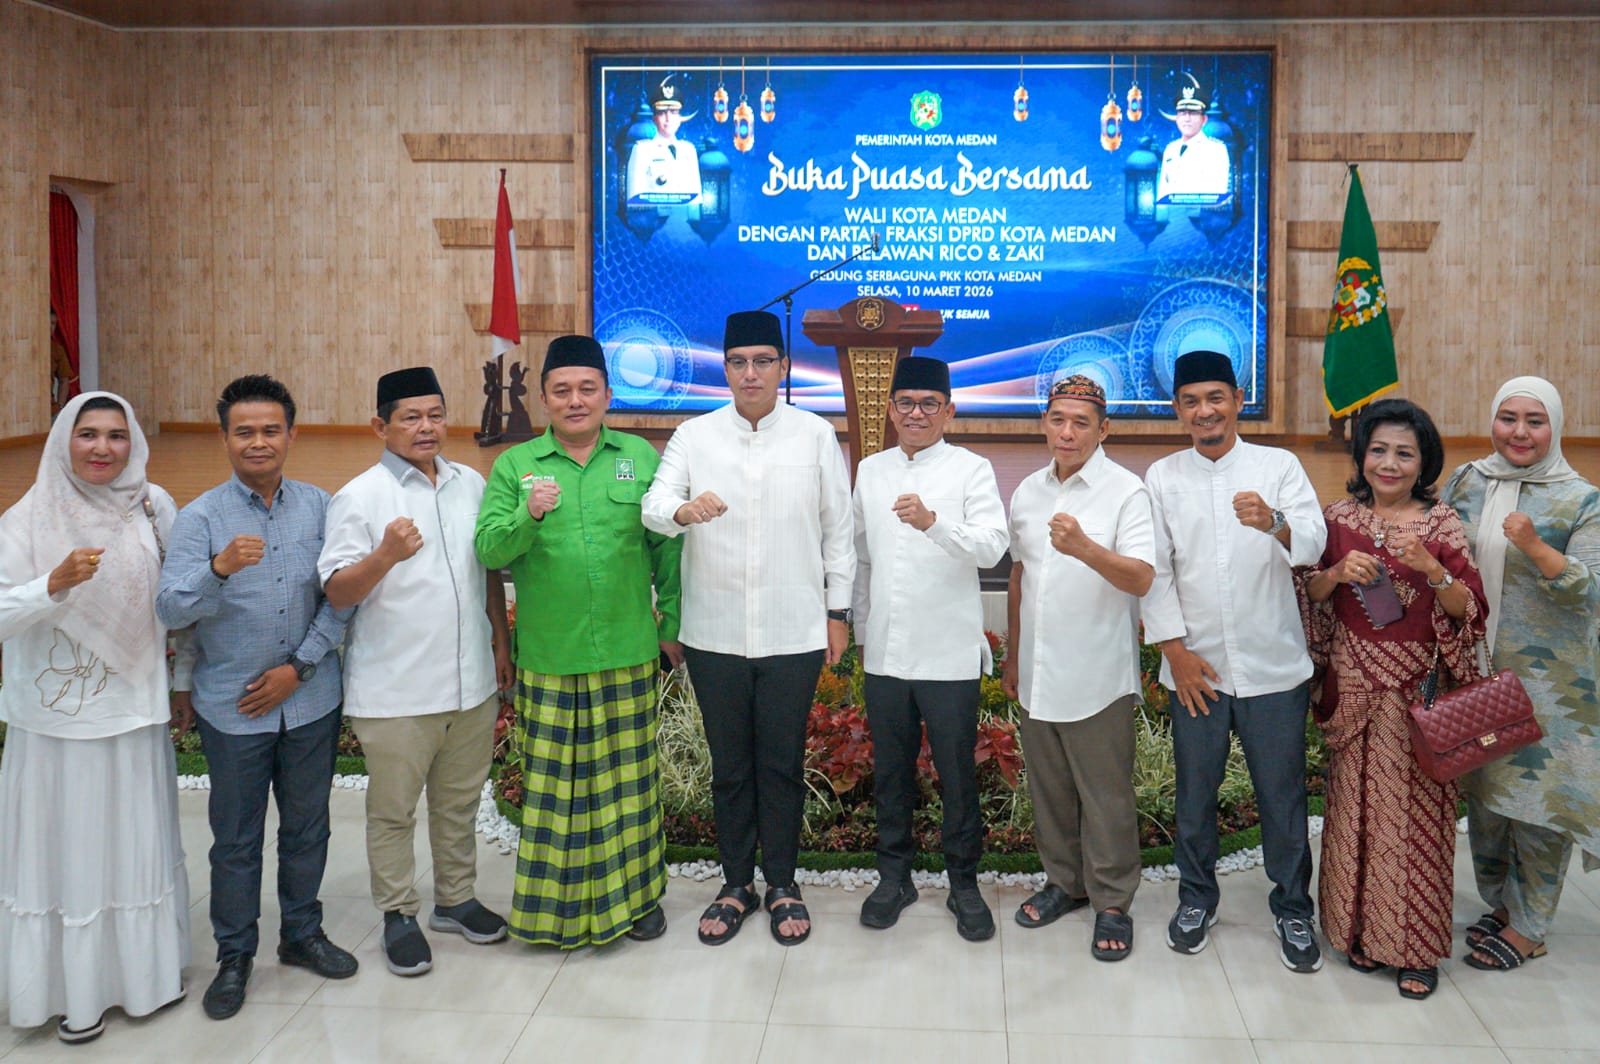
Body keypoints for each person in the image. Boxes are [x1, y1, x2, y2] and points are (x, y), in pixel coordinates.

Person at [641, 309, 853, 947]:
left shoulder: (814, 434)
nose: (751, 373)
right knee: (731, 766)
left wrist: (837, 613)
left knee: (782, 764)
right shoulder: (694, 435)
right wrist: (682, 508)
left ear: (783, 368)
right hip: (715, 633)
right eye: (739, 362)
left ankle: (783, 883)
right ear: (725, 369)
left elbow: (839, 532)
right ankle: (737, 883)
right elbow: (653, 507)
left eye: (764, 361)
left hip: (794, 632)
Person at [156, 375, 358, 1020]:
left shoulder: (321, 508)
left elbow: (341, 602)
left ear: (291, 436)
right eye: (245, 431)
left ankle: (301, 934)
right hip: (231, 708)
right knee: (237, 839)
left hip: (309, 698)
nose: (259, 442)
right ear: (225, 439)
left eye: (271, 429)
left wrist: (297, 668)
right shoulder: (201, 518)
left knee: (306, 827)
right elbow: (168, 607)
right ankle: (235, 954)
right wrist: (217, 569)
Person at [474, 335, 683, 949]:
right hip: (550, 655)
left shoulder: (641, 458)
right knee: (553, 791)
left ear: (608, 395)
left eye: (587, 388)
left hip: (626, 648)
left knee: (630, 789)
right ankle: (553, 911)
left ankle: (641, 901)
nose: (575, 400)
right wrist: (528, 515)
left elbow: (667, 550)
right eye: (561, 390)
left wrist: (670, 626)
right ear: (543, 399)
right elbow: (489, 549)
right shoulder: (516, 467)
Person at [0, 392, 189, 1045]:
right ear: (64, 442)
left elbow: (179, 596)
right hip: (58, 728)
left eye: (115, 434)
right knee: (68, 854)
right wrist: (49, 585)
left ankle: (144, 981)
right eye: (88, 435)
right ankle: (66, 993)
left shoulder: (152, 505)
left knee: (132, 850)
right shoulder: (25, 519)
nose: (103, 448)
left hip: (132, 714)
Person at [318, 366, 514, 977]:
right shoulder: (359, 496)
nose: (426, 427)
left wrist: (501, 643)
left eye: (434, 414)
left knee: (458, 802)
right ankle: (398, 913)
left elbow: (488, 571)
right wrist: (384, 555)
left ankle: (454, 900)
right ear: (381, 425)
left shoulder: (470, 484)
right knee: (394, 810)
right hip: (397, 689)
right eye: (410, 417)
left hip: (471, 679)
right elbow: (337, 592)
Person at [1141, 350, 1327, 972]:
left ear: (1238, 398)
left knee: (1281, 796)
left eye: (1215, 397)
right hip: (1198, 673)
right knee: (1195, 795)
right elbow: (1156, 570)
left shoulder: (1279, 466)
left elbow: (1313, 544)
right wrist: (1174, 651)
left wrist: (1272, 523)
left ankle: (1293, 908)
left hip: (1274, 667)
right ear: (1177, 410)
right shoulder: (1162, 477)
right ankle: (1196, 898)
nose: (1205, 411)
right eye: (1191, 401)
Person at [1299, 399, 1487, 1000]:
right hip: (1352, 688)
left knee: (1416, 823)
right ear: (1362, 455)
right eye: (1378, 449)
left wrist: (1432, 570)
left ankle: (1414, 948)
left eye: (1404, 453)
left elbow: (1468, 610)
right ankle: (1356, 932)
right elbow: (1312, 593)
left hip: (1416, 694)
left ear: (1423, 461)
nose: (1389, 463)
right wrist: (1335, 575)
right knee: (1352, 812)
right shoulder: (1338, 518)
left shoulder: (1442, 525)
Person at [1442, 376, 1600, 973]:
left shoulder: (1580, 499)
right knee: (1486, 798)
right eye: (1508, 418)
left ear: (1554, 427)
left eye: (1535, 421)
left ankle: (1531, 926)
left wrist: (1534, 545)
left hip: (1551, 687)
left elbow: (1592, 591)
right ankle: (1502, 904)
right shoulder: (1468, 481)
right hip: (1477, 672)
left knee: (1538, 802)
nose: (1520, 432)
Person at [851, 356, 1008, 942]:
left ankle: (963, 884)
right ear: (889, 410)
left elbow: (992, 547)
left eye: (928, 404)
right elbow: (861, 557)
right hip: (887, 654)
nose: (915, 414)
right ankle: (895, 877)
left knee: (956, 775)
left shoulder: (972, 469)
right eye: (906, 404)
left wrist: (934, 522)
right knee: (890, 773)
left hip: (948, 656)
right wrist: (860, 630)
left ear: (949, 410)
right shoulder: (871, 470)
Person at [1004, 375, 1155, 961]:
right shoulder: (1027, 492)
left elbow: (1141, 577)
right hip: (1040, 669)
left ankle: (1113, 900)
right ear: (1044, 422)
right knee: (1050, 791)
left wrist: (1086, 548)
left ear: (1103, 429)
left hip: (1097, 674)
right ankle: (1064, 883)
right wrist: (1015, 655)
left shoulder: (1126, 492)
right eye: (1057, 419)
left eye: (1081, 422)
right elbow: (1020, 577)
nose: (1067, 432)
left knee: (1105, 795)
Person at [625, 75, 701, 207]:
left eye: (673, 112)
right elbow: (634, 201)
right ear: (654, 118)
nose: (668, 118)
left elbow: (696, 199)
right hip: (655, 224)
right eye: (662, 113)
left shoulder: (689, 150)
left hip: (685, 224)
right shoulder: (641, 150)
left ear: (679, 118)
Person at [1156, 74, 1231, 205]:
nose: (1187, 119)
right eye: (1182, 113)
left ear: (1204, 119)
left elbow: (1216, 197)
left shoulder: (1216, 150)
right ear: (1177, 118)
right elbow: (1163, 195)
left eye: (1193, 113)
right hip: (1174, 220)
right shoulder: (1170, 150)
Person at [48, 308, 76, 417]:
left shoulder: (56, 349)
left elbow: (64, 380)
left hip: (50, 408)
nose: (50, 327)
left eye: (53, 323)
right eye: (46, 322)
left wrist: (60, 406)